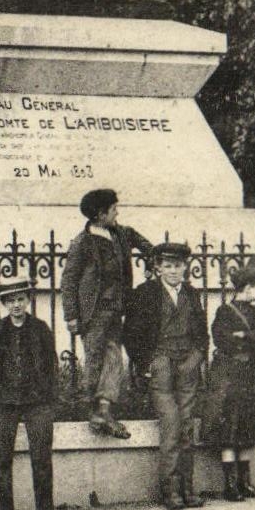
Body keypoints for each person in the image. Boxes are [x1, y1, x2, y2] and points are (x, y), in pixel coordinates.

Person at [60, 188, 154, 440]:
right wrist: (71, 316)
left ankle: (104, 410)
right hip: (93, 313)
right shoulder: (82, 243)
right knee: (95, 359)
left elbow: (147, 246)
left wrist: (150, 262)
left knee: (114, 358)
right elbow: (68, 281)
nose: (117, 213)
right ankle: (94, 412)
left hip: (116, 310)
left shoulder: (121, 233)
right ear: (100, 215)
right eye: (113, 209)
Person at [124, 242, 208, 510]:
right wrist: (147, 362)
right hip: (161, 364)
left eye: (178, 265)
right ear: (158, 268)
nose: (173, 270)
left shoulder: (192, 294)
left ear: (185, 267)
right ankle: (170, 490)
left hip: (188, 365)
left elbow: (202, 333)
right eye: (168, 265)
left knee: (187, 424)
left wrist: (197, 357)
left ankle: (188, 488)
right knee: (171, 422)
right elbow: (131, 334)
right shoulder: (145, 293)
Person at [0, 278, 59, 510]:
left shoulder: (40, 329)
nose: (16, 305)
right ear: (4, 303)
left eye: (20, 299)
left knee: (41, 456)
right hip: (4, 401)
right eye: (10, 300)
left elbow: (51, 365)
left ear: (28, 300)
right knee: (2, 458)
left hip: (37, 401)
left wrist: (47, 397)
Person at [202, 264, 255, 500]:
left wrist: (245, 336)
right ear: (248, 289)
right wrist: (253, 338)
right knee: (229, 431)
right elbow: (222, 340)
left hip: (251, 378)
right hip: (230, 379)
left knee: (247, 430)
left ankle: (245, 483)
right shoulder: (226, 311)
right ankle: (231, 485)